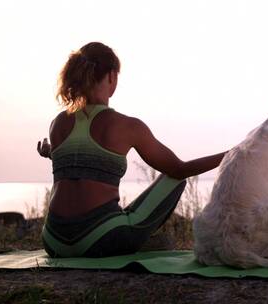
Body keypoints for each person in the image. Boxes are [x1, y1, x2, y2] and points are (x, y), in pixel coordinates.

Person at [37, 42, 227, 258]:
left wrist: (53, 153)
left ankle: (126, 236)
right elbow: (179, 169)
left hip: (54, 241)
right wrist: (232, 155)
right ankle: (133, 241)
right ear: (111, 76)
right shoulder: (127, 126)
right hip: (98, 239)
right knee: (174, 179)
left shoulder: (58, 123)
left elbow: (79, 164)